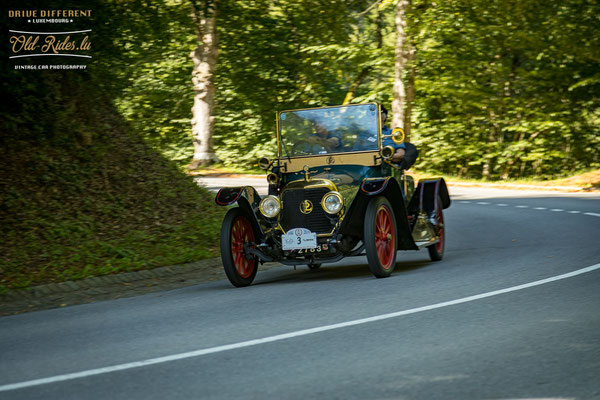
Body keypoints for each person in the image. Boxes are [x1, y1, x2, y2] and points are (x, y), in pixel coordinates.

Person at [380, 104, 419, 170]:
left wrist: (386, 157)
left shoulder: (393, 133)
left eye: (378, 113)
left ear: (384, 116)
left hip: (387, 167)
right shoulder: (363, 134)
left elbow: (401, 154)